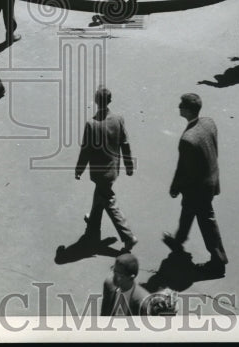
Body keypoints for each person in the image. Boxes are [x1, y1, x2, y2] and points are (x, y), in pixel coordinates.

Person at [163, 92, 228, 277]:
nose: (178, 107)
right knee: (188, 211)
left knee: (207, 222)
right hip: (211, 178)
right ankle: (178, 240)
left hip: (199, 188)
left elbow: (184, 169)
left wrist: (175, 187)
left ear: (188, 110)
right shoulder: (209, 122)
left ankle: (218, 261)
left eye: (181, 105)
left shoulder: (188, 140)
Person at [75, 86, 137, 252]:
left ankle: (128, 237)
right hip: (113, 170)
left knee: (109, 201)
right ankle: (94, 222)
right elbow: (125, 144)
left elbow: (85, 151)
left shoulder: (91, 124)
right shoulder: (118, 119)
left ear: (95, 101)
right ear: (110, 101)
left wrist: (79, 170)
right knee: (101, 194)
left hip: (99, 173)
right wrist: (129, 166)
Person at [100, 253, 150, 317]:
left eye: (119, 274)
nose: (114, 276)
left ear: (131, 277)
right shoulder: (109, 284)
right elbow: (104, 312)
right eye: (114, 270)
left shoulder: (143, 302)